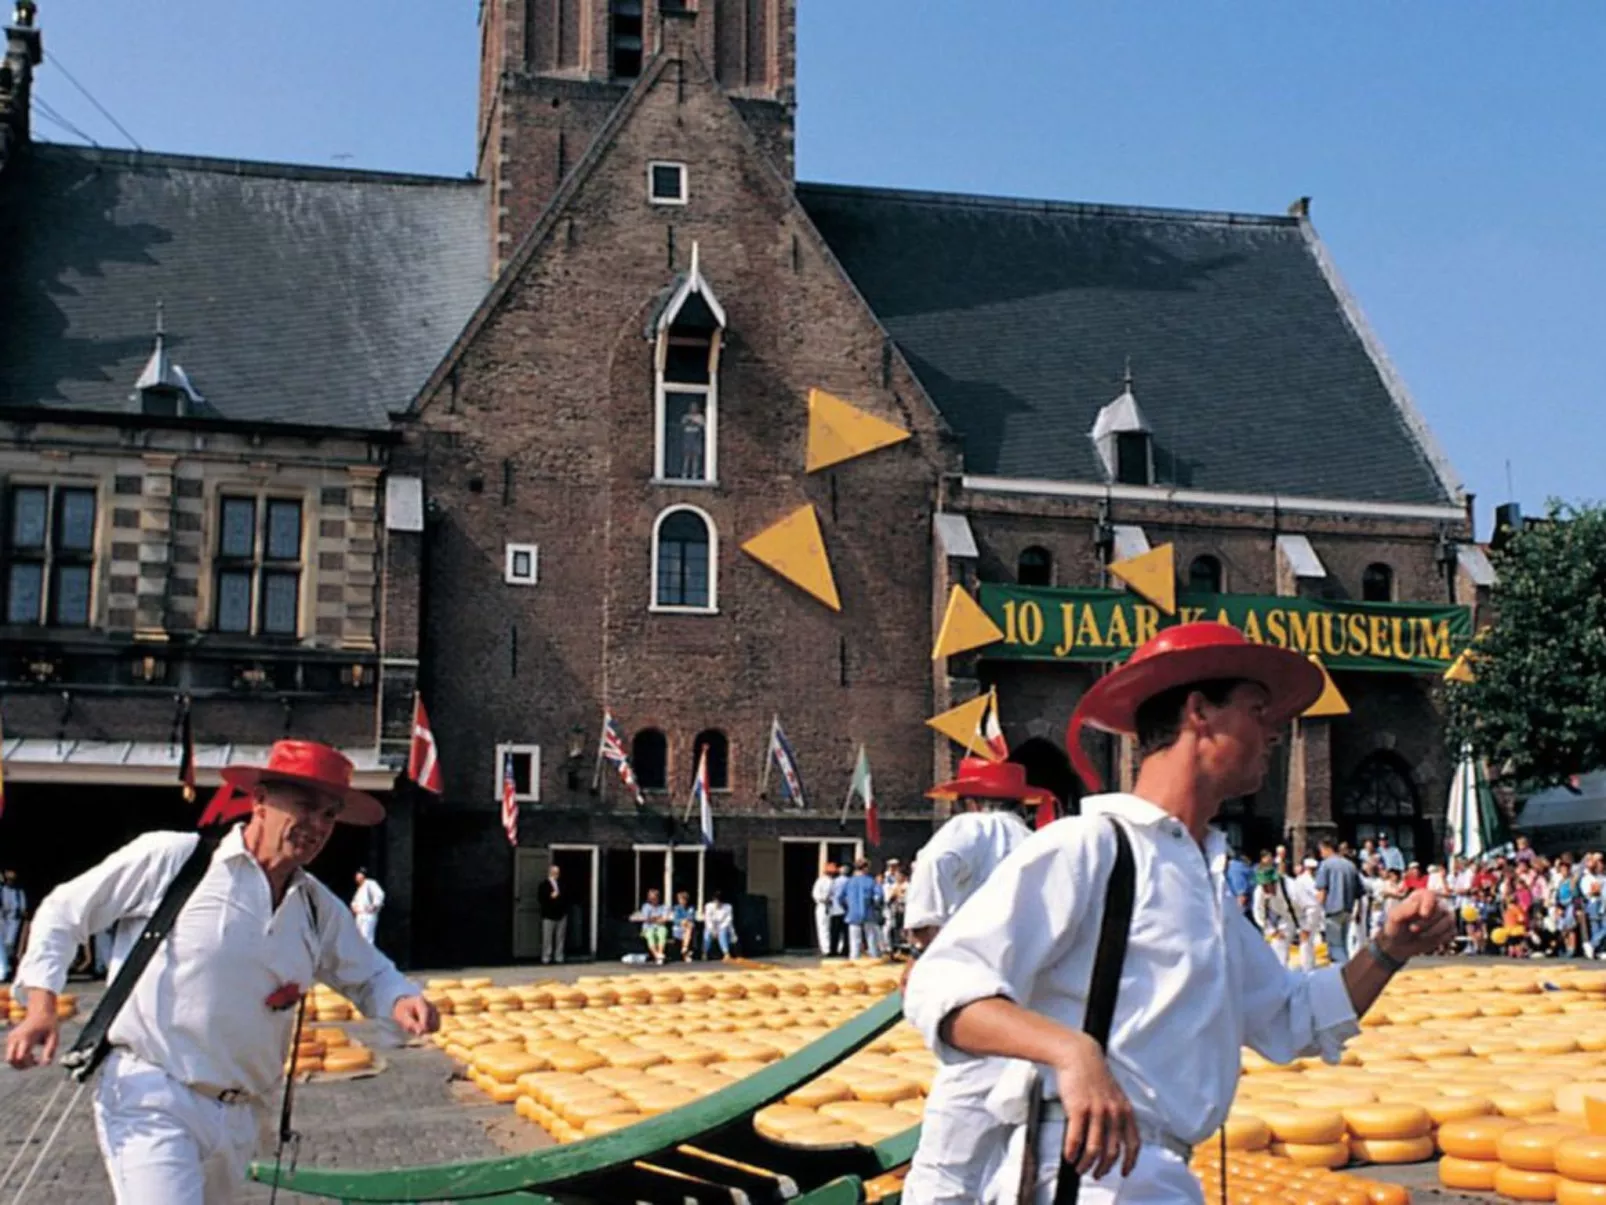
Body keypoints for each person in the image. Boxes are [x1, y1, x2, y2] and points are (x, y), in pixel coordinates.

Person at [902, 623, 1454, 1203]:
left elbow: (1293, 1018)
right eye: (1257, 710)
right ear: (1199, 712)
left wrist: (1388, 951)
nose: (1273, 733)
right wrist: (1070, 1050)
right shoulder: (1091, 846)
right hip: (1087, 1171)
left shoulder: (1203, 885)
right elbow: (939, 984)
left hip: (1160, 1174)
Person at [4, 740, 439, 1205]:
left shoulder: (315, 906)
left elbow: (370, 973)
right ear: (260, 801)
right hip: (152, 1094)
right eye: (306, 807)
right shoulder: (176, 860)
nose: (317, 826)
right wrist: (41, 1008)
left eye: (330, 815)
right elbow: (62, 913)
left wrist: (400, 998)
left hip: (240, 1115)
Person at [901, 755, 1051, 1205]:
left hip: (975, 1006)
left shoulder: (971, 829)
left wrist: (926, 943)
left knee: (946, 1163)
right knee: (1011, 1152)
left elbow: (932, 863)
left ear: (968, 800)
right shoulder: (1037, 843)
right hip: (1029, 1013)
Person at [1314, 837, 1363, 968]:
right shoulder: (1350, 865)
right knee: (1344, 943)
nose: (1321, 854)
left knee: (1335, 946)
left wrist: (1316, 912)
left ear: (1326, 848)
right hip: (1348, 909)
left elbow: (1322, 890)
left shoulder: (1326, 865)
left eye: (1321, 850)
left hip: (1332, 908)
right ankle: (1346, 969)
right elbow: (1359, 892)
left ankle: (1343, 971)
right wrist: (1359, 911)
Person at [843, 859, 883, 960]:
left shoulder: (849, 881)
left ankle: (854, 958)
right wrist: (876, 905)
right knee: (871, 937)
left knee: (854, 939)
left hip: (853, 912)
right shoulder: (871, 881)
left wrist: (848, 906)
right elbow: (879, 896)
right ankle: (873, 956)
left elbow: (840, 897)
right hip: (868, 911)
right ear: (865, 868)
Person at [537, 863, 567, 965]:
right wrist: (550, 897)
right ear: (550, 873)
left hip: (561, 914)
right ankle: (546, 957)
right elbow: (541, 899)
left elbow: (567, 897)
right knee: (547, 938)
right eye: (554, 872)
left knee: (560, 937)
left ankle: (559, 957)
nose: (556, 874)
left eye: (557, 872)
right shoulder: (544, 885)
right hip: (548, 915)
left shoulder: (562, 884)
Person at [0, 868, 27, 982]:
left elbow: (22, 909)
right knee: (2, 947)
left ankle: (11, 968)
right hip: (2, 921)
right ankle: (4, 970)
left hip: (14, 922)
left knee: (10, 945)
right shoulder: (1, 890)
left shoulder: (18, 892)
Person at [350, 867, 386, 945]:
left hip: (367, 915)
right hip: (360, 915)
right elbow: (355, 901)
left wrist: (374, 906)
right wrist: (354, 907)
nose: (357, 876)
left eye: (358, 874)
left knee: (366, 938)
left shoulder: (370, 883)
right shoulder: (360, 888)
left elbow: (380, 894)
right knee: (358, 939)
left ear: (363, 875)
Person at [701, 892, 737, 960]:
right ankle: (704, 953)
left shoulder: (728, 907)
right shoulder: (708, 906)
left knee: (722, 933)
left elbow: (728, 920)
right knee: (707, 933)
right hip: (711, 927)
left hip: (723, 927)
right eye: (715, 901)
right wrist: (713, 931)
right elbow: (708, 920)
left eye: (718, 902)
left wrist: (720, 930)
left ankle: (726, 953)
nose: (717, 903)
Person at [639, 888, 670, 964]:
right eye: (651, 898)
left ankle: (660, 953)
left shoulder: (664, 907)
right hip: (648, 927)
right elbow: (646, 919)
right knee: (650, 934)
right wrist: (657, 918)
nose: (653, 900)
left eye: (654, 898)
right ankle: (657, 955)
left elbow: (664, 919)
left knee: (663, 931)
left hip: (660, 926)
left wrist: (654, 918)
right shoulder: (646, 906)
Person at [811, 863, 836, 956]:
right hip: (825, 906)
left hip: (827, 906)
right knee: (826, 927)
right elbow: (816, 894)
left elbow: (815, 894)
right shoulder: (826, 881)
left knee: (824, 928)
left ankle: (826, 948)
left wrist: (824, 899)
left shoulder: (824, 881)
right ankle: (827, 948)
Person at [828, 863, 850, 957]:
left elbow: (830, 893)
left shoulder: (834, 881)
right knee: (846, 932)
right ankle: (845, 950)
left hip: (836, 909)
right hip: (846, 910)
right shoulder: (850, 881)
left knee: (834, 932)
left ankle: (833, 950)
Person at [671, 890, 698, 961]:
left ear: (686, 900)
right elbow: (675, 920)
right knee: (687, 930)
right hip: (679, 926)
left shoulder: (691, 907)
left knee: (689, 928)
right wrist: (682, 921)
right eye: (680, 899)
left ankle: (684, 950)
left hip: (688, 926)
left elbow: (691, 917)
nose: (681, 901)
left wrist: (685, 921)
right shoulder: (677, 908)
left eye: (683, 899)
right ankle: (685, 951)